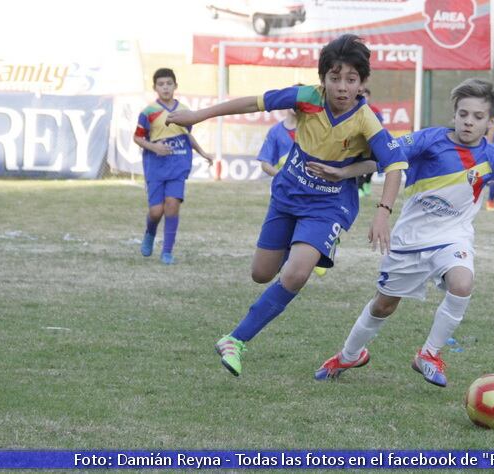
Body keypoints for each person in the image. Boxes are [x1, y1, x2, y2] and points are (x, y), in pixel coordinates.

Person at [311, 79, 494, 387]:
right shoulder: (430, 140)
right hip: (410, 240)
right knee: (384, 305)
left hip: (453, 238)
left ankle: (428, 354)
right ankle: (350, 354)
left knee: (462, 283)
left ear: (490, 121)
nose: (469, 121)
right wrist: (343, 171)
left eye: (478, 116)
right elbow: (383, 157)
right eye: (463, 114)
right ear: (454, 114)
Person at [166, 34, 408, 377]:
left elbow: (393, 165)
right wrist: (199, 115)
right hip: (288, 193)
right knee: (261, 274)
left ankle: (235, 340)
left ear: (362, 83)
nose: (342, 87)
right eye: (334, 78)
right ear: (322, 78)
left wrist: (381, 211)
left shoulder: (366, 120)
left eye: (351, 80)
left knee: (296, 273)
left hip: (329, 205)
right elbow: (254, 102)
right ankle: (302, 248)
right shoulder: (308, 97)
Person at [134, 68, 213, 265]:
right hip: (156, 166)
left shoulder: (184, 111)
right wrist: (154, 146)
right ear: (155, 88)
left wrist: (202, 152)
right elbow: (137, 137)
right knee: (156, 211)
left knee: (172, 205)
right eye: (161, 84)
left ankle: (167, 252)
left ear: (175, 86)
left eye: (169, 83)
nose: (165, 87)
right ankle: (150, 233)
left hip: (178, 164)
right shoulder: (148, 112)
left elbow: (186, 135)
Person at [256, 89, 331, 278]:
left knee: (307, 227)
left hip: (312, 192)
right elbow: (265, 163)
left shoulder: (316, 130)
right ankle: (292, 264)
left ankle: (320, 249)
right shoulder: (276, 132)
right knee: (285, 233)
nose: (295, 105)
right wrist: (281, 174)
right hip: (285, 191)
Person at [356, 87, 384, 198]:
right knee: (357, 164)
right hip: (358, 144)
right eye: (362, 96)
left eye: (366, 96)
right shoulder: (355, 110)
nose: (364, 98)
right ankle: (359, 187)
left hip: (372, 143)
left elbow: (380, 126)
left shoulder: (375, 110)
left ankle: (367, 182)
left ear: (369, 97)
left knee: (374, 164)